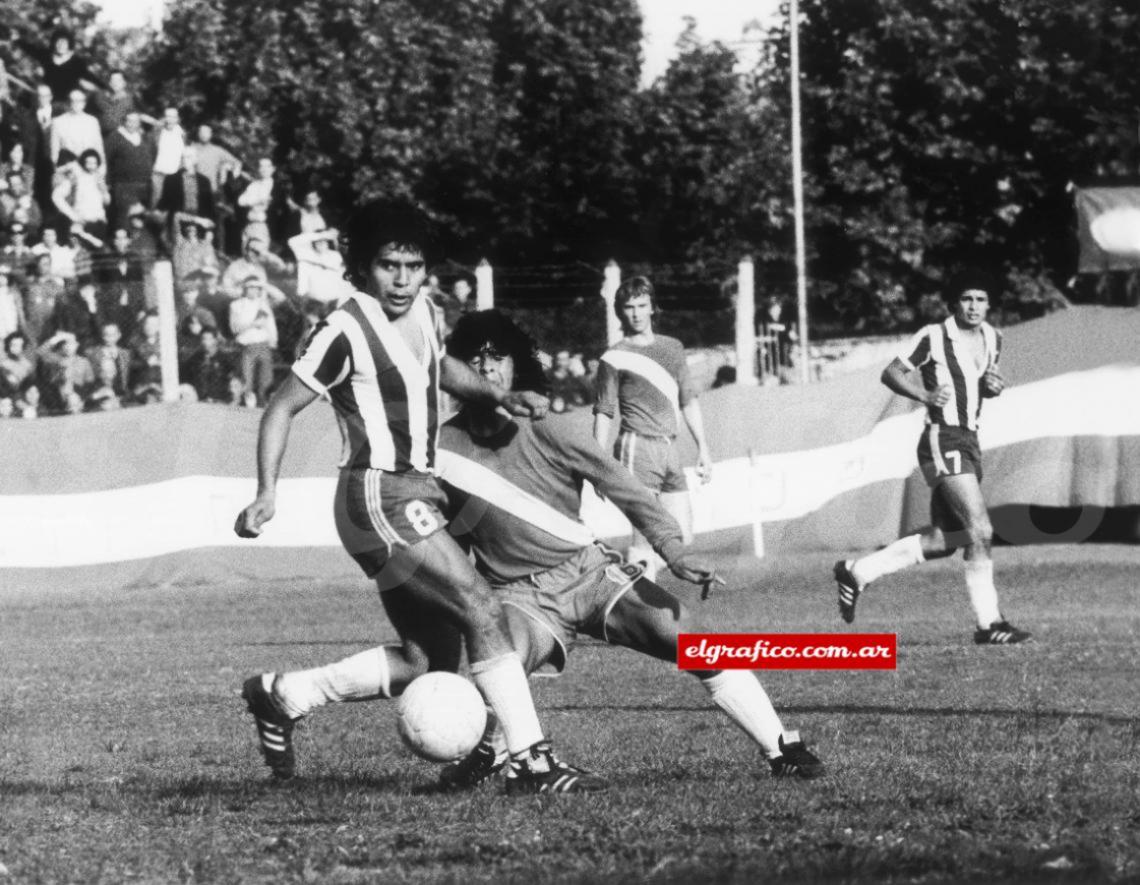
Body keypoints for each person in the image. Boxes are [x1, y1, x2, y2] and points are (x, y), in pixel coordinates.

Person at [233, 199, 603, 793]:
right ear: (361, 267)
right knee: (480, 604)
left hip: (412, 493)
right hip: (378, 493)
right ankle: (531, 761)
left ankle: (284, 695)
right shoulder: (345, 327)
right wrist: (266, 491)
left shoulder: (426, 312)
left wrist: (498, 395)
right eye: (388, 266)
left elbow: (440, 369)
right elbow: (281, 406)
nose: (402, 279)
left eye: (413, 265)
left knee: (428, 660)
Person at [429, 310, 825, 788]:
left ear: (517, 368)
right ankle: (493, 753)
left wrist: (674, 550)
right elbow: (438, 537)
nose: (488, 368)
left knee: (695, 638)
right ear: (459, 374)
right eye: (475, 359)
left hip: (590, 575)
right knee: (497, 668)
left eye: (498, 357)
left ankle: (782, 747)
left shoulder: (549, 428)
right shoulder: (441, 450)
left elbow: (624, 486)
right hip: (519, 596)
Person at [833, 268, 1031, 645]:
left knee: (946, 540)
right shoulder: (934, 336)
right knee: (982, 530)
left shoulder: (993, 337)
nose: (973, 307)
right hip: (942, 437)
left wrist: (993, 387)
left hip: (970, 438)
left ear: (990, 304)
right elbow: (891, 372)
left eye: (980, 300)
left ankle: (857, 571)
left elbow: (982, 386)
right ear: (954, 303)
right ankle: (989, 623)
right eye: (966, 299)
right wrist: (924, 397)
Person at [593, 275, 713, 579]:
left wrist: (703, 449)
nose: (635, 313)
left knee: (680, 536)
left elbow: (688, 400)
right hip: (637, 446)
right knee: (644, 536)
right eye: (629, 307)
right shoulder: (614, 356)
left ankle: (622, 581)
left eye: (641, 305)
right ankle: (638, 610)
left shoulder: (673, 348)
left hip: (670, 448)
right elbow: (604, 411)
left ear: (652, 308)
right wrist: (596, 462)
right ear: (621, 312)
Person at [49, 89, 104, 167]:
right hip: (67, 168)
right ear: (68, 102)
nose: (75, 104)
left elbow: (99, 147)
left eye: (79, 101)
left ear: (84, 103)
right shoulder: (57, 122)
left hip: (89, 168)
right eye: (72, 100)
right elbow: (54, 151)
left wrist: (101, 168)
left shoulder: (92, 121)